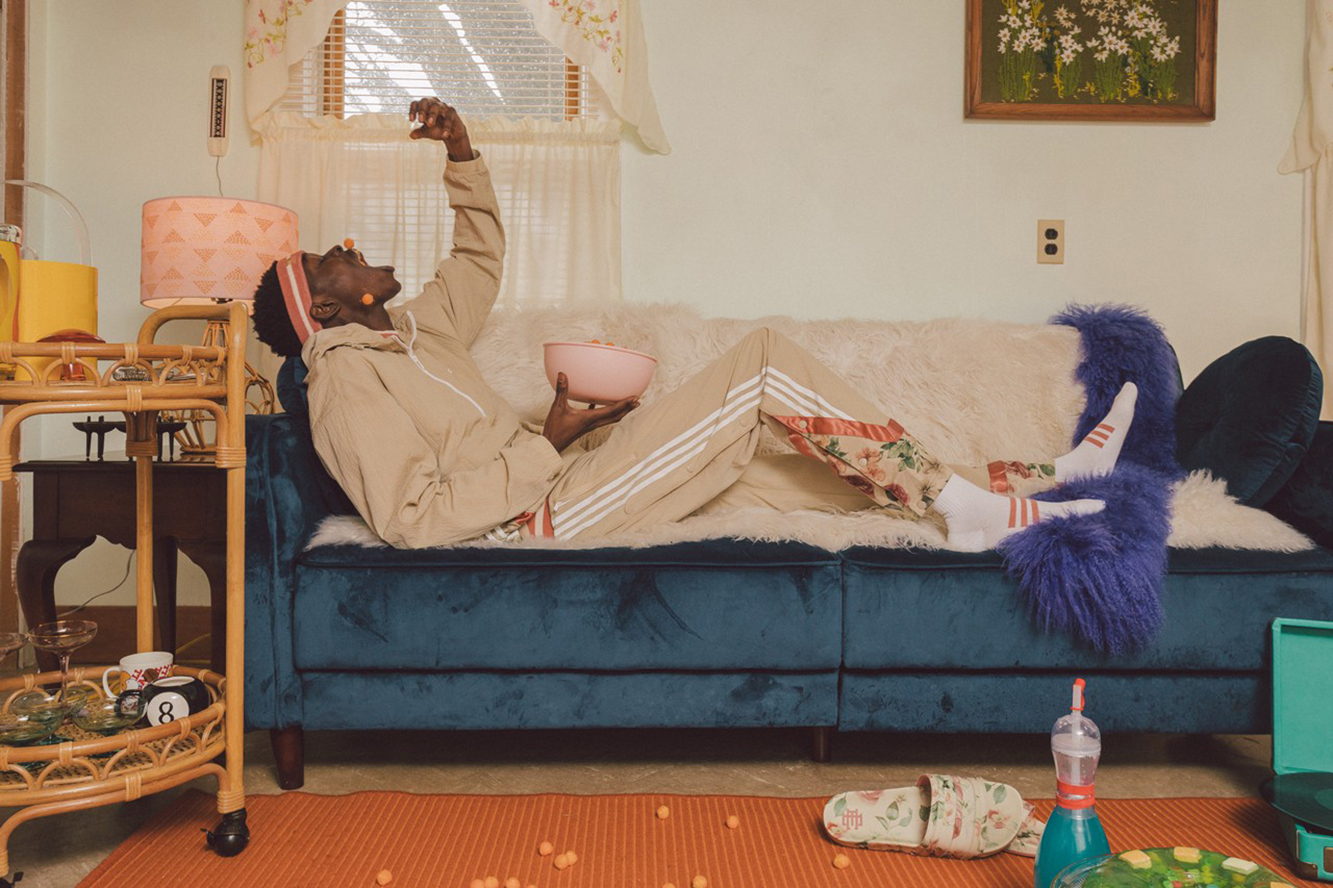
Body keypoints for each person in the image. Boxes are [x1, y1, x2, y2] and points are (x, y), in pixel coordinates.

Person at [252, 98, 1130, 551]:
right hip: (537, 515)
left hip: (570, 476)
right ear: (322, 309)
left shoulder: (414, 334)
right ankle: (973, 508)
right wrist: (547, 444)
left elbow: (477, 259)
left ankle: (1039, 482)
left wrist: (462, 153)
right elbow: (411, 516)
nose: (348, 245)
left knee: (812, 476)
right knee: (762, 364)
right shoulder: (342, 376)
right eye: (330, 258)